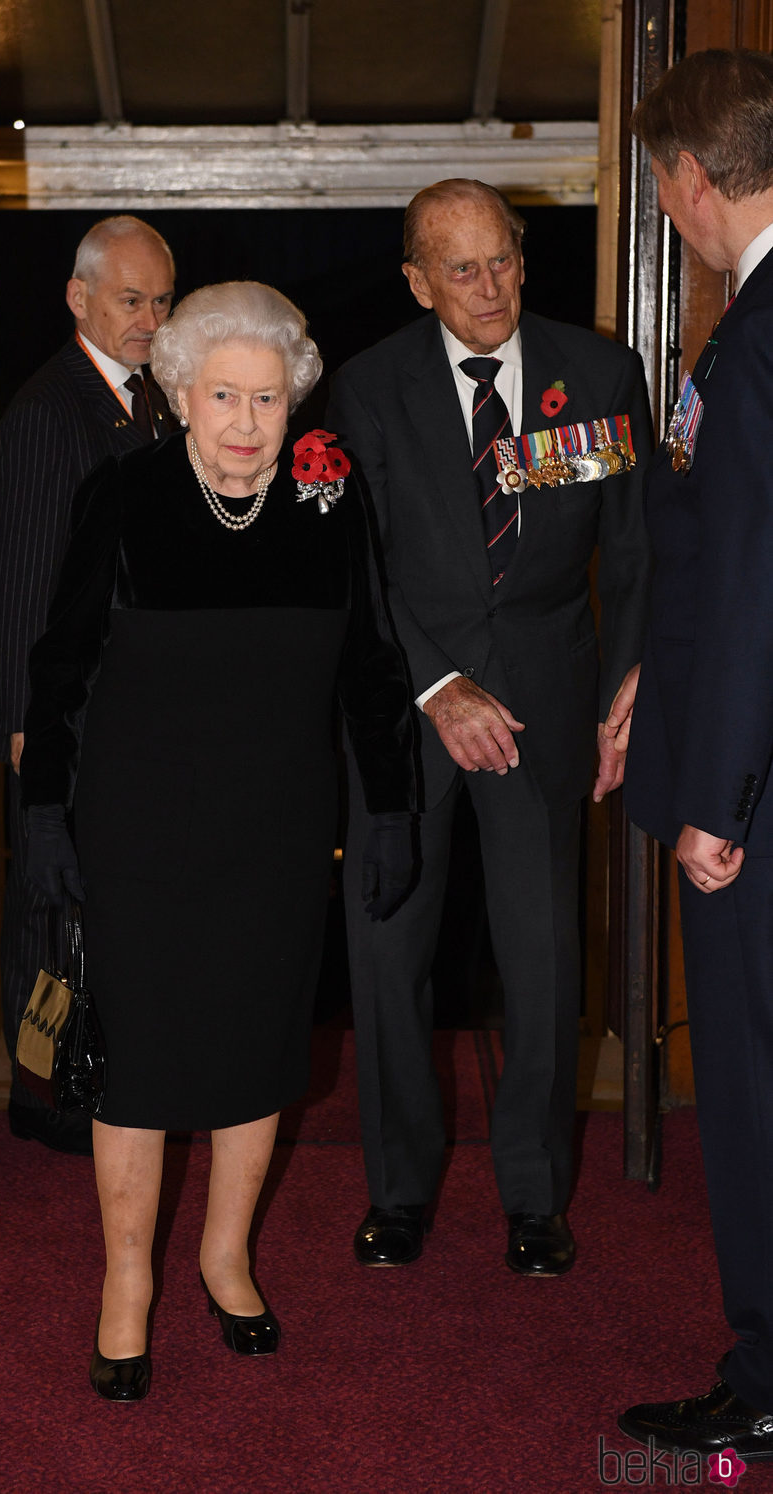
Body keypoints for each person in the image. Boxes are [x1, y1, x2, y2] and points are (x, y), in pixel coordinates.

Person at [18, 281, 417, 1401]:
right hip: (137, 829)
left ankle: (224, 1256)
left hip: (276, 832)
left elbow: (372, 668)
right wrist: (44, 812)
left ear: (295, 403)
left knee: (254, 1050)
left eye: (268, 399)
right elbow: (60, 668)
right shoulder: (126, 496)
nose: (246, 423)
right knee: (135, 1067)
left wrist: (387, 809)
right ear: (180, 396)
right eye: (223, 396)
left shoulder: (325, 509)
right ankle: (127, 1283)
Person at [328, 178, 653, 1276]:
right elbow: (354, 571)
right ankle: (398, 1191)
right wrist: (435, 686)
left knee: (540, 955)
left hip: (547, 702)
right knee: (386, 954)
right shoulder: (364, 390)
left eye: (502, 259)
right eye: (458, 270)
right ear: (416, 280)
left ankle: (532, 1195)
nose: (488, 288)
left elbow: (635, 551)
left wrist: (624, 686)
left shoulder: (597, 374)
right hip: (409, 712)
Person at [619, 49, 773, 1462]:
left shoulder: (766, 322)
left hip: (760, 797)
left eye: (663, 189)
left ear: (686, 175)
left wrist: (716, 796)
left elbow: (756, 572)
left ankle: (768, 1372)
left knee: (747, 1079)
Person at [0, 215, 176, 1155]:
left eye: (161, 301)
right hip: (69, 712)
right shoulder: (45, 412)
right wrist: (30, 729)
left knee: (117, 901)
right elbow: (19, 587)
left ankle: (108, 1078)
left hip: (137, 713)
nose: (148, 318)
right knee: (53, 903)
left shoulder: (157, 402)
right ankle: (44, 1095)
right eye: (130, 300)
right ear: (79, 298)